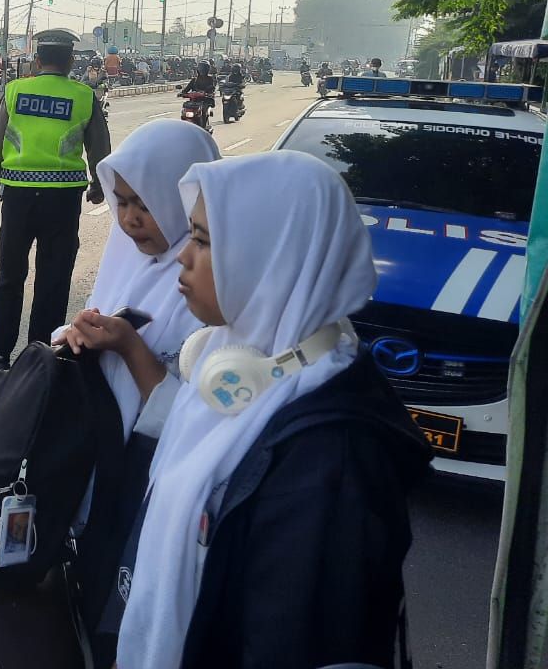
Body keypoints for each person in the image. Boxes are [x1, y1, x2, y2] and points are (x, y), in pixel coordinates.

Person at [112, 151, 432, 669]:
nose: (182, 258)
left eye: (203, 241)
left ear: (273, 257)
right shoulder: (239, 357)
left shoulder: (332, 465)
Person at [51, 120, 221, 661]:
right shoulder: (127, 253)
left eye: (143, 204)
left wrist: (129, 348)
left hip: (148, 476)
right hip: (95, 455)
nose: (128, 219)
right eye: (120, 202)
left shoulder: (212, 281)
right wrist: (77, 334)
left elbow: (193, 418)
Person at [0, 28, 111, 370]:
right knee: (53, 277)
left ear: (37, 61)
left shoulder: (15, 90)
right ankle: (38, 355)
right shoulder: (83, 96)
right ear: (70, 61)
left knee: (10, 273)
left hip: (18, 198)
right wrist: (99, 186)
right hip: (63, 201)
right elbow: (100, 148)